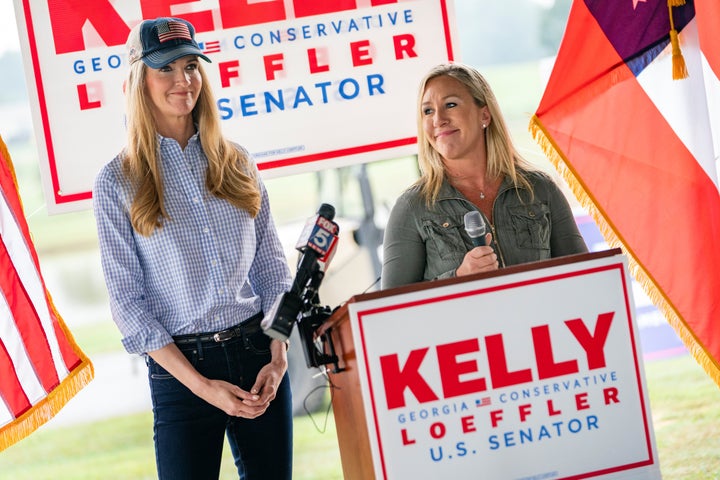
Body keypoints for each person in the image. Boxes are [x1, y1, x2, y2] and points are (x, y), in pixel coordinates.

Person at [93, 17, 293, 480]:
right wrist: (202, 386)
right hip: (181, 374)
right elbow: (128, 305)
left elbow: (272, 270)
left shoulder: (238, 161)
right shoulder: (117, 183)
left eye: (190, 66)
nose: (183, 81)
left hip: (260, 355)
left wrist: (279, 354)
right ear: (138, 82)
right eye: (166, 69)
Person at [381, 62, 588, 289]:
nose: (438, 119)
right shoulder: (412, 207)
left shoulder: (539, 189)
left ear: (485, 115)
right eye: (427, 111)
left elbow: (584, 277)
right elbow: (392, 309)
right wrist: (458, 277)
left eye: (450, 105)